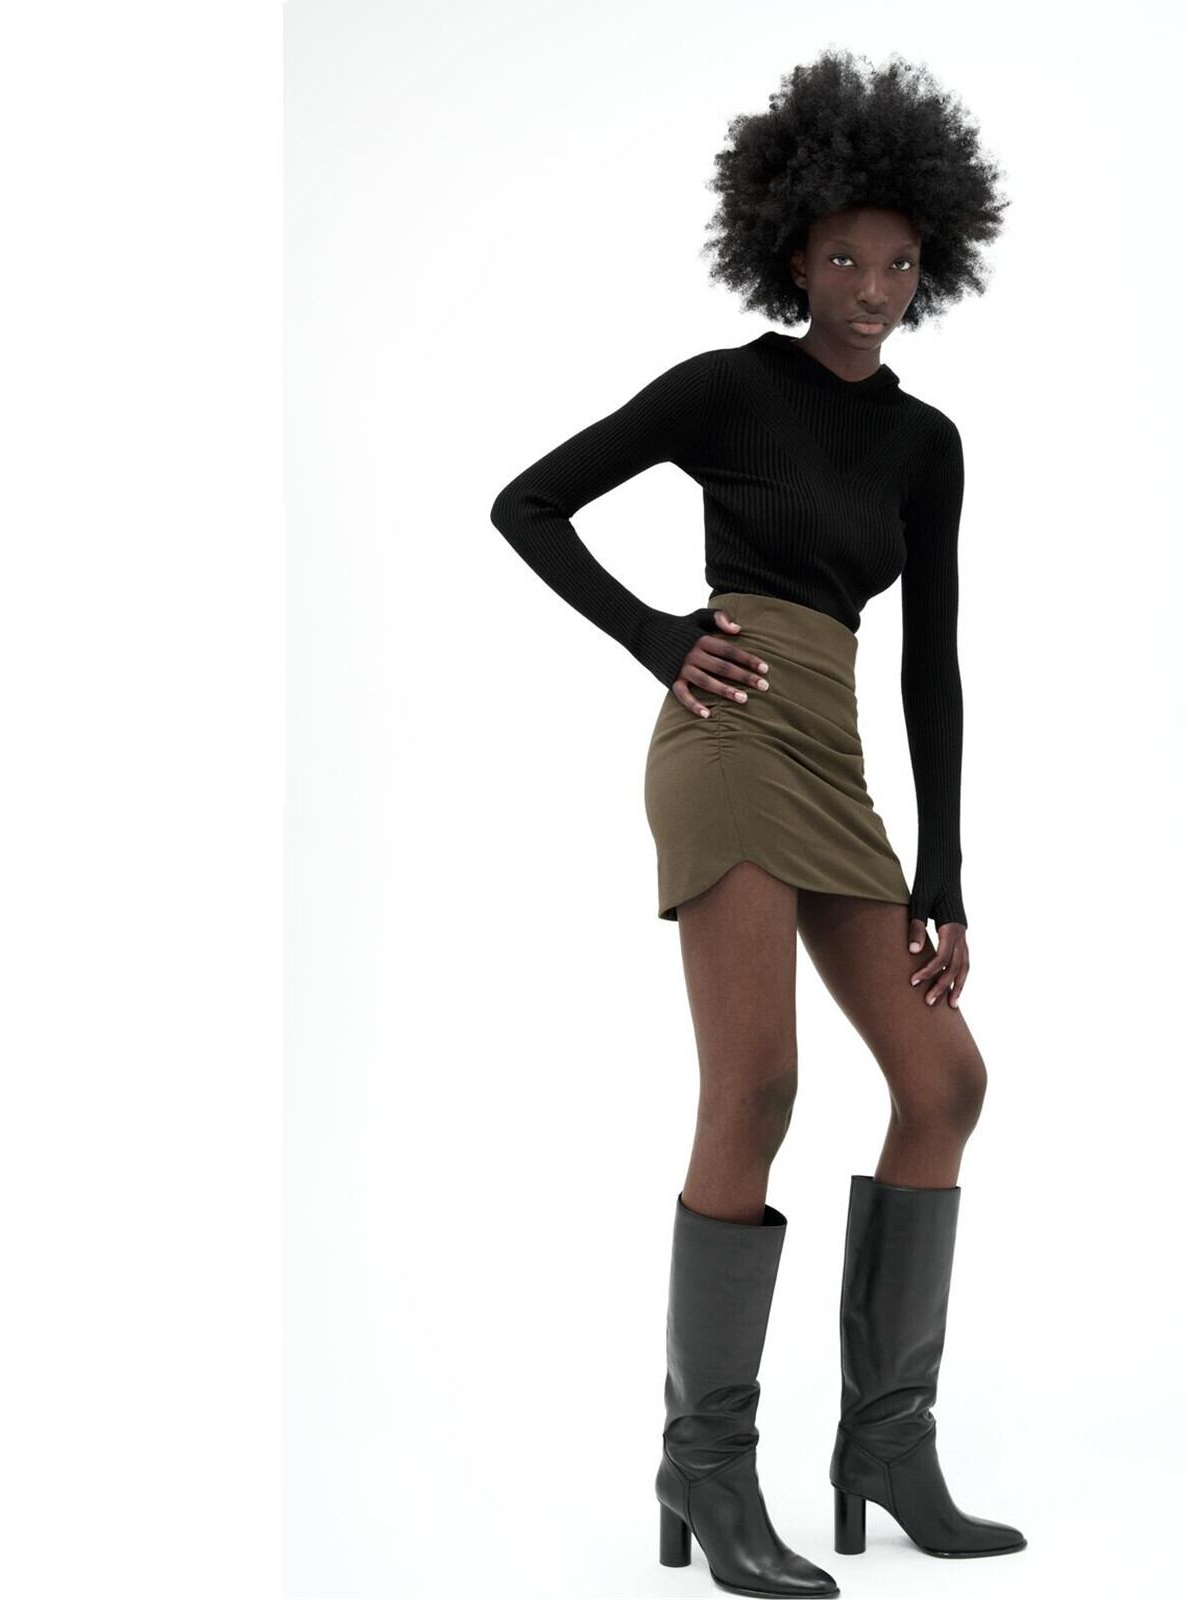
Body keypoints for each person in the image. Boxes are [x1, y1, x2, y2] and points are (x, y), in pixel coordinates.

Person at [490, 48, 1024, 1597]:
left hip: (837, 755)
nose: (873, 289)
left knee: (946, 1081)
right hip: (725, 741)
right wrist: (658, 636)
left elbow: (931, 665)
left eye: (900, 264)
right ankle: (708, 1466)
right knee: (760, 1084)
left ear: (933, 265)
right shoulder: (727, 388)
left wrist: (943, 870)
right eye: (845, 259)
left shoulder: (926, 444)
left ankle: (886, 1446)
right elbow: (528, 503)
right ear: (794, 255)